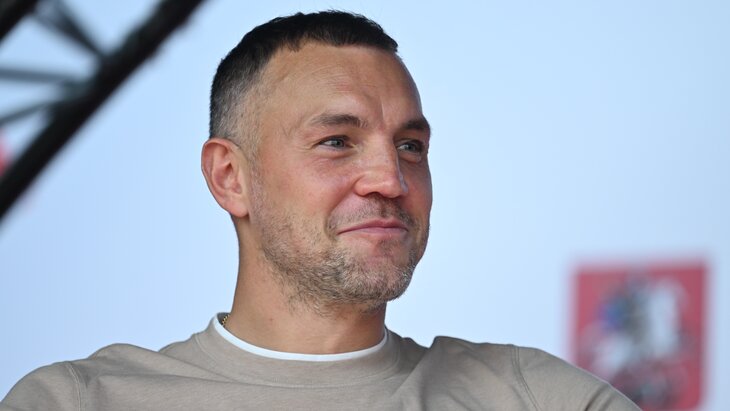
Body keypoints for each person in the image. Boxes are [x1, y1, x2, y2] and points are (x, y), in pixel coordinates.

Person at [1, 11, 638, 410]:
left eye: (410, 146)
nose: (390, 179)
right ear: (230, 178)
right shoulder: (78, 402)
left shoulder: (536, 397)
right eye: (337, 142)